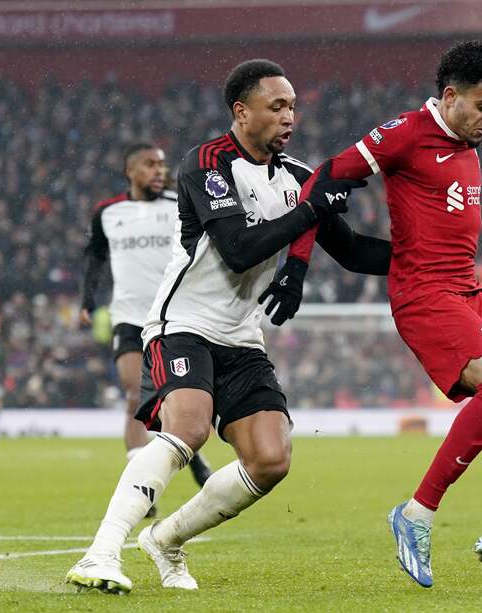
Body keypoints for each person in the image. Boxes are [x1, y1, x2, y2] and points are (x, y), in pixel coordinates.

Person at [66, 58, 388, 594]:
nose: (289, 117)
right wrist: (311, 212)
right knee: (189, 428)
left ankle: (166, 539)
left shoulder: (297, 177)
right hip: (182, 323)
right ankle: (101, 553)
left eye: (293, 107)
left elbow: (353, 252)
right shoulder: (206, 162)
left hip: (241, 336)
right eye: (276, 106)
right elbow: (238, 249)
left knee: (270, 459)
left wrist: (431, 259)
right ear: (241, 111)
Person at [261, 41, 482, 587]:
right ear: (450, 96)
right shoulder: (406, 132)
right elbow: (323, 178)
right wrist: (297, 265)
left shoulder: (466, 142)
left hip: (470, 293)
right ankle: (416, 514)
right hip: (424, 297)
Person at [80, 142, 213, 514]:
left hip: (174, 316)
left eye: (162, 164)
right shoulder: (108, 212)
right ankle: (139, 487)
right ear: (130, 171)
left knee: (174, 398)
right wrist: (88, 301)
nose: (159, 170)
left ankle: (192, 457)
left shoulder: (178, 204)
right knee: (135, 395)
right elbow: (94, 257)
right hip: (128, 317)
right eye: (150, 164)